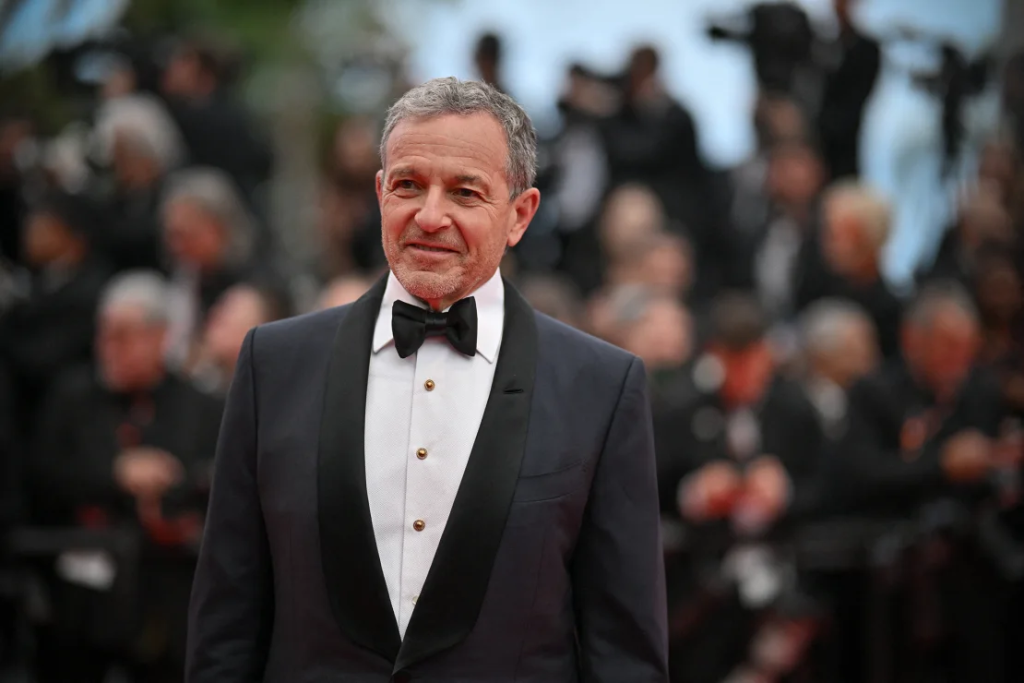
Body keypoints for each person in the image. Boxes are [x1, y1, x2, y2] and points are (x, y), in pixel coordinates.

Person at [187, 77, 669, 682]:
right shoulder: (273, 365)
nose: (430, 215)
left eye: (465, 192)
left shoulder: (601, 386)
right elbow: (226, 622)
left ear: (520, 215)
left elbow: (624, 653)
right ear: (379, 193)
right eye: (409, 185)